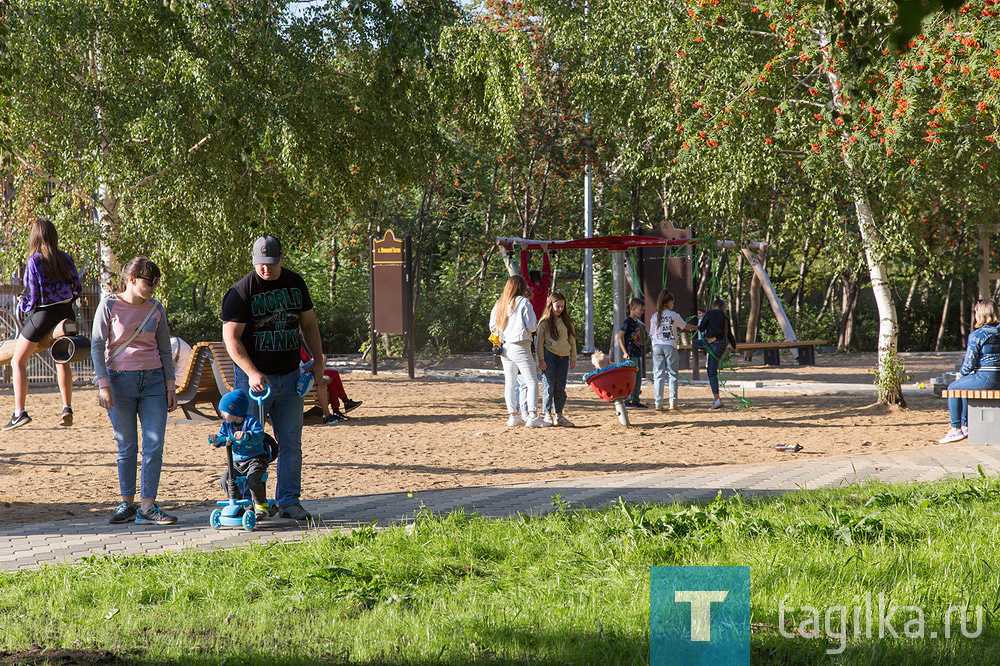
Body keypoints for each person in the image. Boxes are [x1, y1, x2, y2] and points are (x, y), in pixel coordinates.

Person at [222, 235, 325, 521]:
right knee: (247, 442)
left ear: (281, 257)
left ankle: (289, 501)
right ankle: (245, 502)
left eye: (270, 263)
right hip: (254, 383)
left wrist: (318, 360)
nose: (265, 269)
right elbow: (231, 339)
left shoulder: (295, 283)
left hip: (291, 377)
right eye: (260, 264)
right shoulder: (241, 291)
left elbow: (309, 324)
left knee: (291, 442)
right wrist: (252, 371)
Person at [92, 257, 178, 525]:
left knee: (154, 445)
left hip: (153, 382)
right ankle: (127, 504)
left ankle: (148, 507)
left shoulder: (156, 308)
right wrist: (103, 383)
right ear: (131, 280)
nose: (153, 287)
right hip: (119, 382)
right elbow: (96, 345)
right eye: (148, 281)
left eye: (155, 282)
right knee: (126, 445)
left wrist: (170, 385)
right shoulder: (109, 304)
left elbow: (165, 348)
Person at [4, 218, 82, 430]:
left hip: (44, 315)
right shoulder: (65, 258)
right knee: (61, 359)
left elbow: (33, 296)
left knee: (18, 361)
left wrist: (23, 303)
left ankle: (19, 413)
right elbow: (77, 288)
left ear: (35, 237)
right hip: (66, 314)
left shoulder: (35, 261)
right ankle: (67, 407)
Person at [490, 275, 548, 428]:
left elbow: (492, 326)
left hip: (505, 346)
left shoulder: (500, 303)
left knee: (510, 382)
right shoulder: (523, 302)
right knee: (531, 381)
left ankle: (513, 415)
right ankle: (533, 416)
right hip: (520, 345)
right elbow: (532, 326)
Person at [940, 299, 1000, 443]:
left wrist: (960, 374)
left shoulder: (978, 335)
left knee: (954, 387)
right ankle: (965, 425)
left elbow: (969, 362)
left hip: (987, 377)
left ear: (980, 315)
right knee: (965, 384)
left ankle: (956, 428)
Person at [214, 389, 271, 519]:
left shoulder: (251, 421)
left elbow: (258, 436)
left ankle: (261, 505)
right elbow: (221, 437)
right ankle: (237, 504)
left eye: (224, 411)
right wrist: (215, 440)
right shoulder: (226, 425)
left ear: (234, 410)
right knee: (225, 480)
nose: (222, 414)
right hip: (237, 462)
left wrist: (246, 436)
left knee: (252, 478)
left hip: (256, 460)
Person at [649, 289, 699, 411]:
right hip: (670, 345)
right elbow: (684, 326)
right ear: (670, 302)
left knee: (658, 374)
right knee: (672, 374)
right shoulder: (674, 315)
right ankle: (673, 402)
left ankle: (658, 402)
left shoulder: (655, 316)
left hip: (657, 346)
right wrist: (697, 328)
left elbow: (651, 333)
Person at [536, 291, 577, 426]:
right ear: (550, 305)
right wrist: (541, 360)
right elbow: (539, 343)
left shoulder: (567, 322)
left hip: (564, 357)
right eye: (557, 306)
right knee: (549, 386)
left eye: (562, 306)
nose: (559, 309)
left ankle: (559, 414)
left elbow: (572, 340)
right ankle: (547, 413)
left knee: (560, 387)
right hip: (549, 356)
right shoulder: (544, 323)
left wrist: (573, 357)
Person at [299, 346, 362, 425]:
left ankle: (337, 410)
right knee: (333, 373)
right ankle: (344, 402)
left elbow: (307, 361)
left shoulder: (297, 346)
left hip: (307, 372)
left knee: (331, 380)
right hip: (303, 376)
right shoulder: (293, 347)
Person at [698, 297, 738, 410]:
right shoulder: (725, 317)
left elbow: (701, 328)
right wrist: (735, 346)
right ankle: (722, 352)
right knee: (712, 363)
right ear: (723, 307)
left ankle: (717, 399)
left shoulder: (709, 313)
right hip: (722, 343)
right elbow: (729, 334)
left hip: (713, 343)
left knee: (711, 372)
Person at [617, 297, 647, 408]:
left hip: (638, 353)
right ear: (633, 308)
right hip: (631, 353)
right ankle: (628, 399)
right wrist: (625, 352)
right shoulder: (627, 322)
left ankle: (635, 399)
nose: (642, 312)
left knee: (638, 378)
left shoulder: (637, 323)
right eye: (640, 310)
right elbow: (620, 337)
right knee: (631, 377)